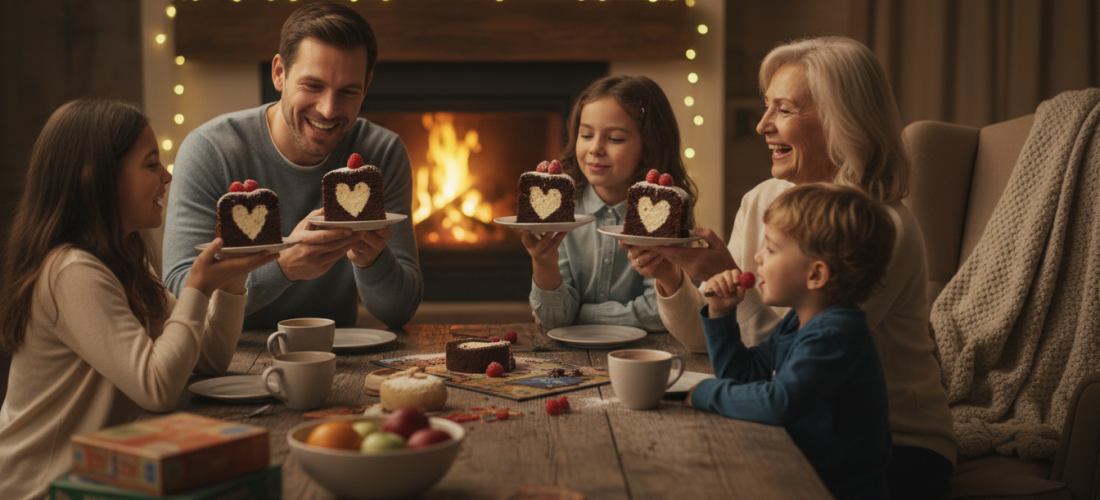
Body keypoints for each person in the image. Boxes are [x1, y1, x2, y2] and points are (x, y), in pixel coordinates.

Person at [626, 37, 956, 498]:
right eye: (767, 108)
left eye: (783, 110)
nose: (762, 125)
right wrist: (675, 275)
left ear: (843, 120)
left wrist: (725, 275)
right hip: (800, 423)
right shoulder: (763, 200)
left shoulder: (877, 226)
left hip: (890, 445)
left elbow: (786, 365)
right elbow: (715, 345)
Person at [0, 100, 276, 500]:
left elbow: (209, 360)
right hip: (43, 488)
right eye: (151, 164)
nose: (166, 176)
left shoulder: (124, 258)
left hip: (104, 476)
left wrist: (233, 278)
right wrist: (196, 288)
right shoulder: (71, 271)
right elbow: (158, 388)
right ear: (95, 180)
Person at [161, 2, 422, 330]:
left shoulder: (382, 152)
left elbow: (398, 312)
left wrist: (372, 260)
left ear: (366, 86)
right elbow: (178, 295)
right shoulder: (210, 150)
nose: (328, 109)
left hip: (334, 352)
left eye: (348, 92)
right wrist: (283, 267)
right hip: (228, 353)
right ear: (279, 73)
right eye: (313, 86)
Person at [688, 183, 894, 500]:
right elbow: (742, 375)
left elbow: (779, 403)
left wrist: (703, 392)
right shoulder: (799, 321)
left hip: (833, 490)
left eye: (771, 249)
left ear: (816, 275)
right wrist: (721, 313)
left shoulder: (836, 334)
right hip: (796, 472)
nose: (757, 257)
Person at [525, 75, 697, 332]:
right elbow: (554, 320)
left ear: (648, 147)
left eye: (614, 138)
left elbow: (659, 312)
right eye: (586, 135)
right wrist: (543, 262)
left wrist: (581, 315)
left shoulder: (666, 213)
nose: (595, 148)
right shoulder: (560, 209)